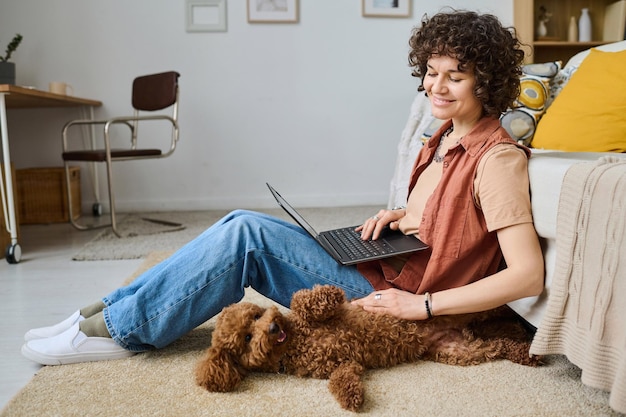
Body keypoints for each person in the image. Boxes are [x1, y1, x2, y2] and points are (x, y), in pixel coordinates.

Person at [22, 10, 544, 366]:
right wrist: (399, 218)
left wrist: (422, 309)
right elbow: (446, 222)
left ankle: (122, 333)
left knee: (247, 237)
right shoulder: (442, 138)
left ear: (488, 81)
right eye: (432, 73)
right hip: (386, 268)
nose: (437, 86)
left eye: (456, 75)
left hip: (400, 303)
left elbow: (526, 274)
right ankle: (104, 311)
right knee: (236, 222)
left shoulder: (496, 159)